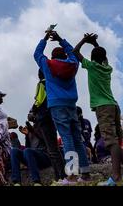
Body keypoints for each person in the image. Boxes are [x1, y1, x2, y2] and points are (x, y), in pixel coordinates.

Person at [34, 30, 90, 184]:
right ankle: (85, 174)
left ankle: (71, 176)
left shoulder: (47, 64)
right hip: (71, 104)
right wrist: (60, 39)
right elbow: (73, 52)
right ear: (65, 55)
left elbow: (37, 53)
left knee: (66, 139)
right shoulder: (73, 64)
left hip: (57, 105)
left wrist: (45, 38)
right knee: (77, 139)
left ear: (52, 57)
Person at [74, 33, 123, 186]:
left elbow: (75, 52)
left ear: (93, 58)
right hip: (114, 105)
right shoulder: (107, 68)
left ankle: (115, 177)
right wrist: (94, 42)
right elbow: (103, 57)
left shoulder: (92, 66)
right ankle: (117, 175)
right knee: (118, 139)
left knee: (111, 141)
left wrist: (83, 40)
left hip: (103, 107)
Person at [28, 69, 65, 182]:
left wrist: (32, 111)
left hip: (44, 118)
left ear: (39, 74)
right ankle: (60, 176)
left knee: (52, 150)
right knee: (54, 148)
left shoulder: (42, 83)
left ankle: (60, 177)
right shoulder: (53, 84)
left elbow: (39, 100)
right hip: (52, 117)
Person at [10, 121, 51, 186]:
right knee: (14, 151)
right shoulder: (30, 132)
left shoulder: (42, 127)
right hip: (32, 158)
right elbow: (27, 148)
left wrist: (32, 130)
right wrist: (27, 135)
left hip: (44, 156)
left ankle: (37, 181)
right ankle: (16, 182)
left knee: (27, 151)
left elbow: (45, 139)